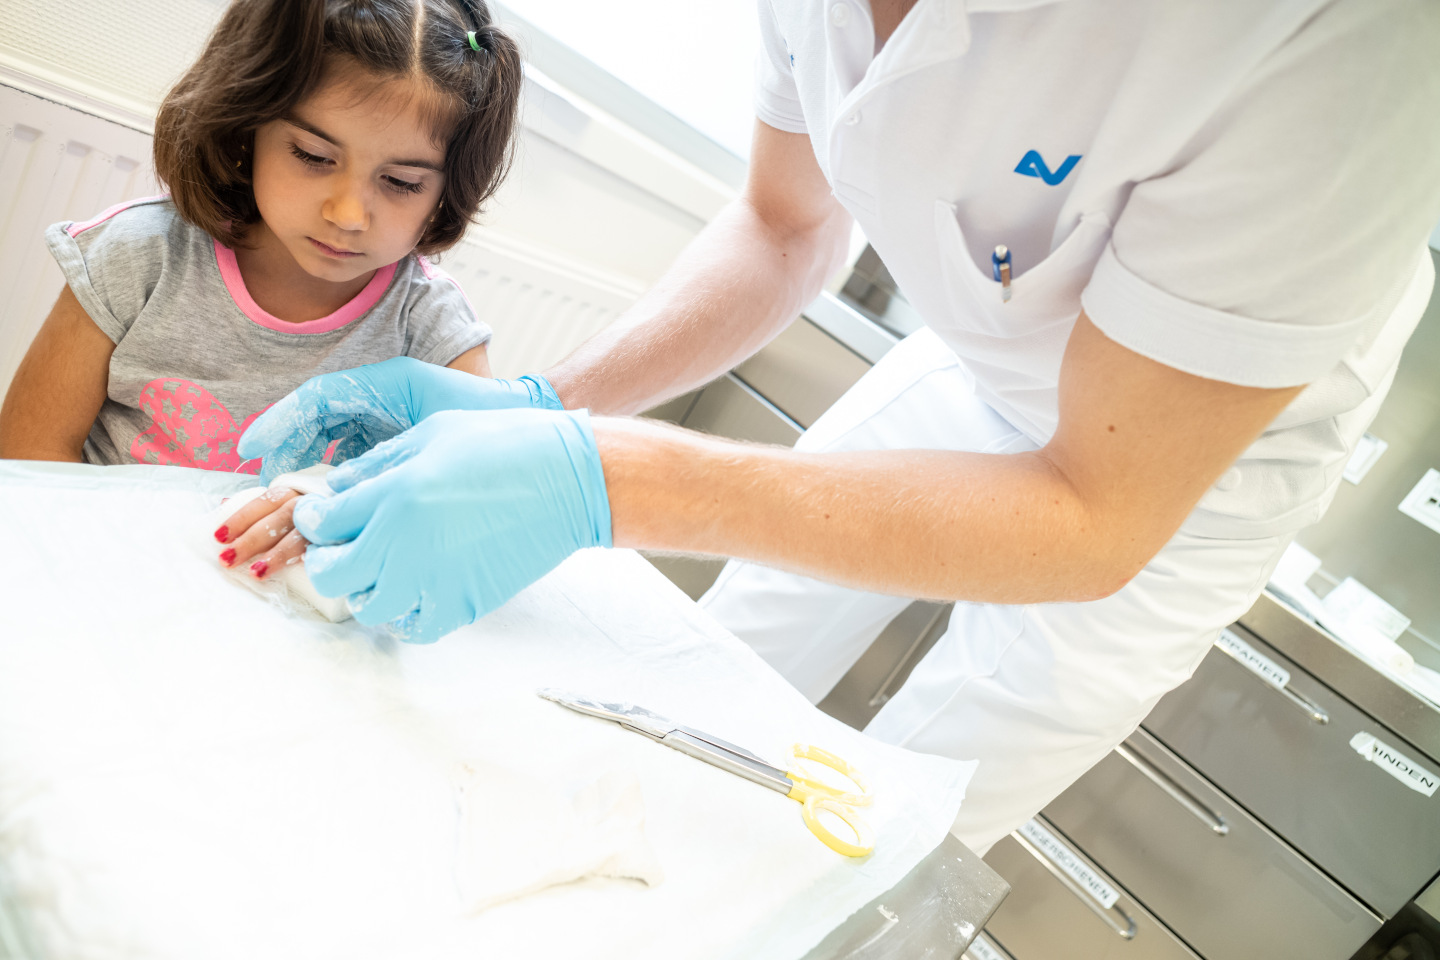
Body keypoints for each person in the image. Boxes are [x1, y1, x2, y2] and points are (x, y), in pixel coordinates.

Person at [237, 0, 1440, 854]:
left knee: (888, 819)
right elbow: (782, 223)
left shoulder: (1329, 38)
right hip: (982, 361)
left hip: (1175, 484)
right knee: (710, 678)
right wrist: (547, 405)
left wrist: (602, 476)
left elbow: (1092, 512)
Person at [0, 0, 523, 583]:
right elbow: (27, 460)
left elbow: (469, 510)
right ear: (247, 125)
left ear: (447, 190)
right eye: (313, 155)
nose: (349, 214)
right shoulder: (137, 255)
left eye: (402, 182)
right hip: (94, 571)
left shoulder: (433, 329)